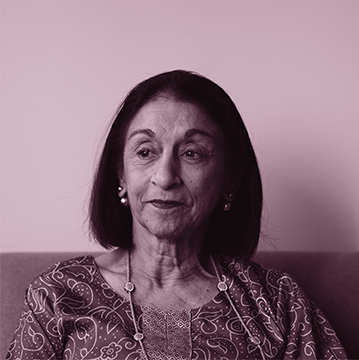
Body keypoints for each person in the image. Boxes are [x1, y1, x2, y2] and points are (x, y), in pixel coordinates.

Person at [7, 70, 347, 360]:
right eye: (145, 152)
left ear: (230, 180)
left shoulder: (277, 303)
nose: (165, 176)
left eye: (192, 153)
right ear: (122, 176)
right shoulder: (59, 293)